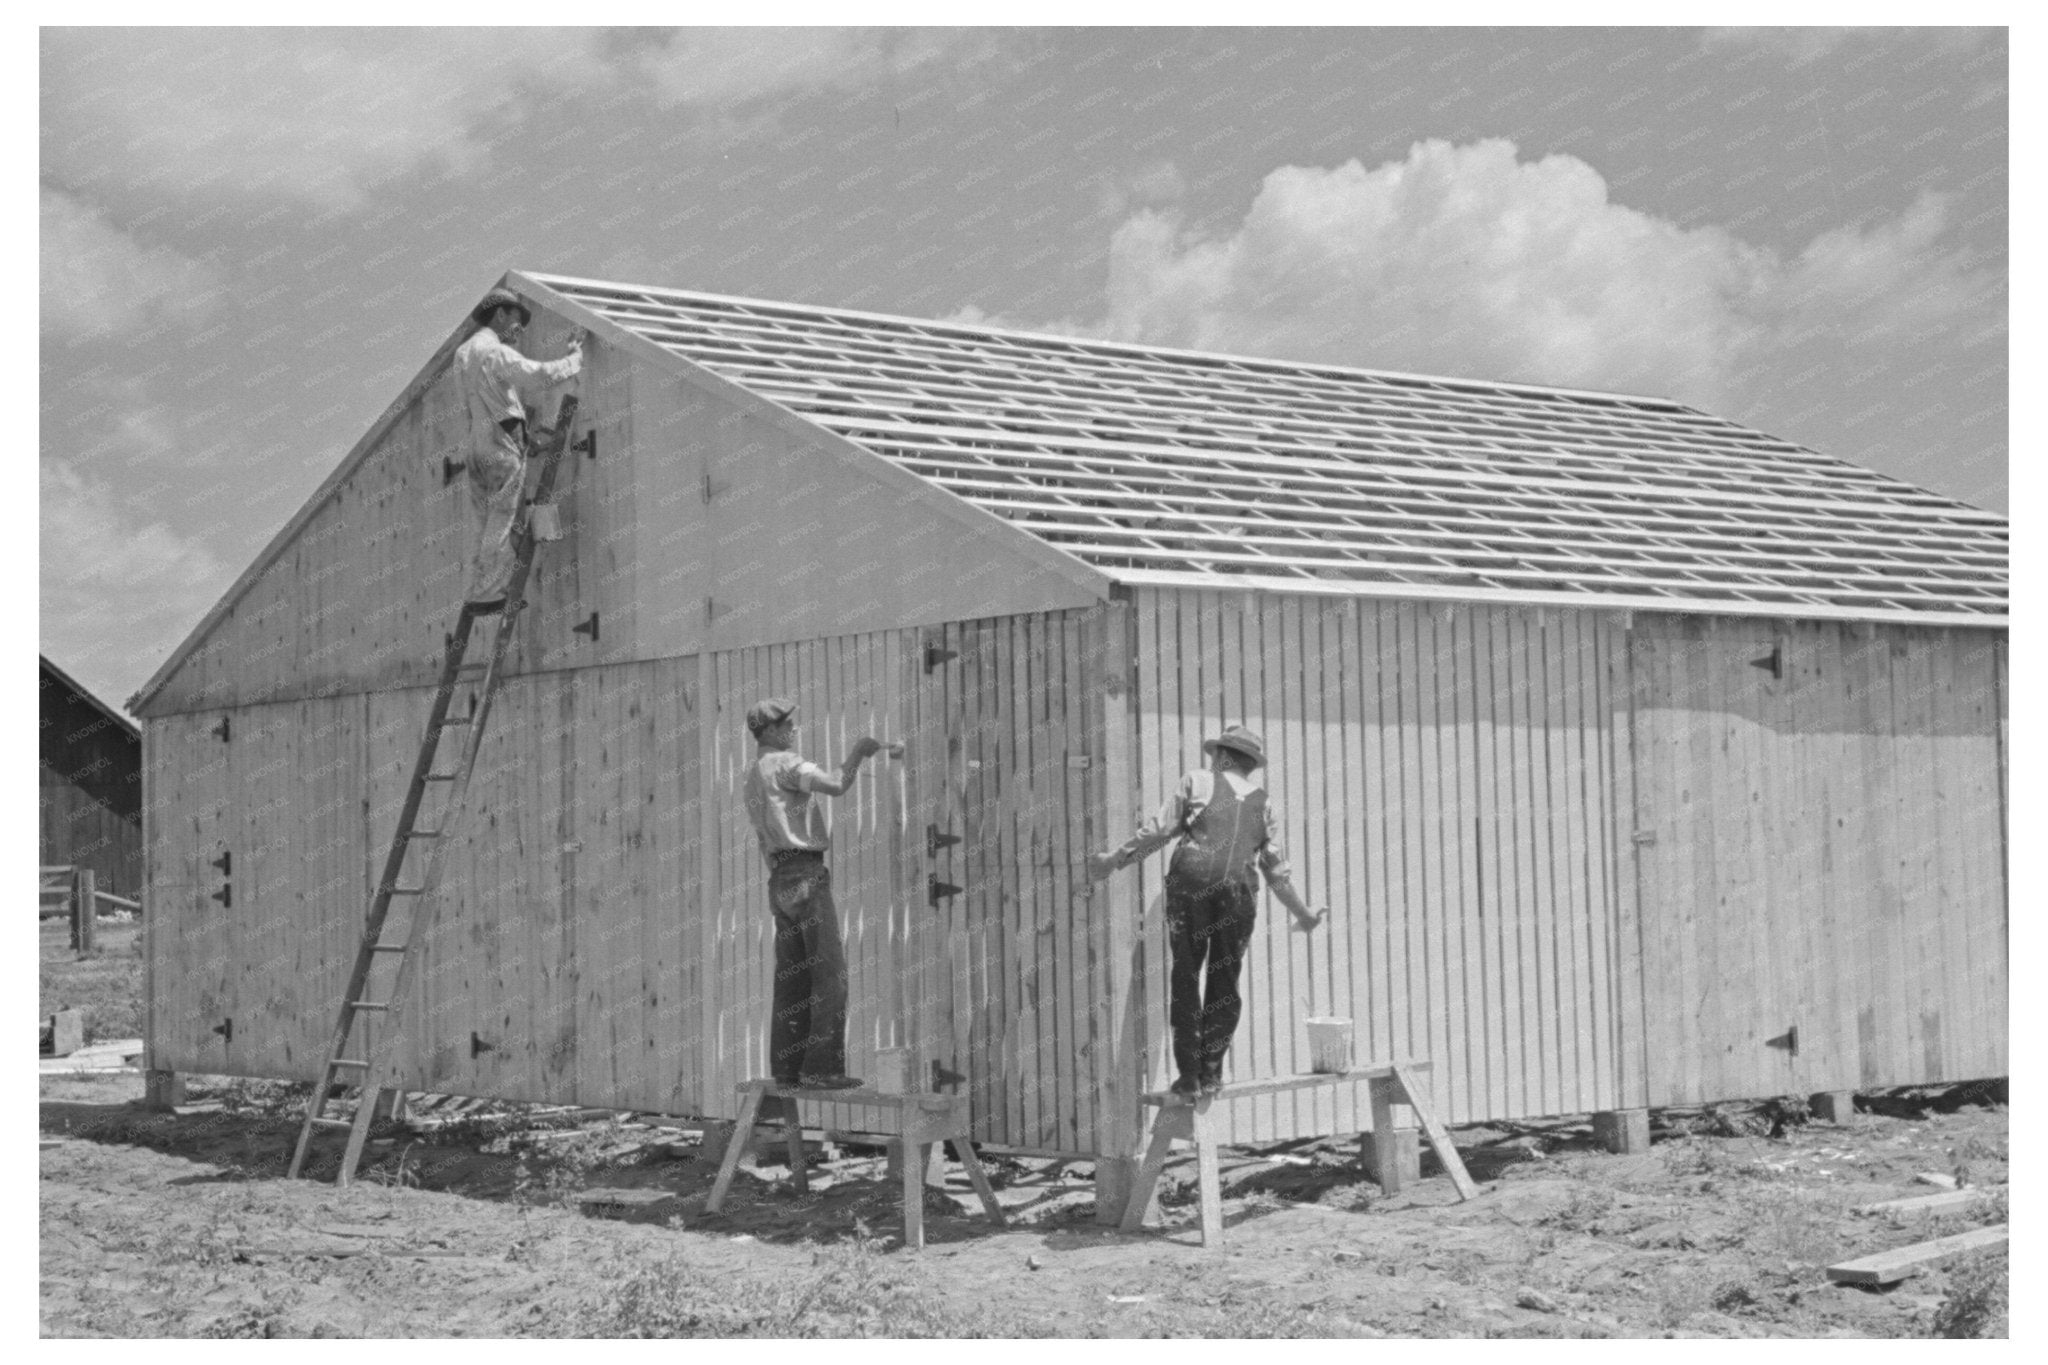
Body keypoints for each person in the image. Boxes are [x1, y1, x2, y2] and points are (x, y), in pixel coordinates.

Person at [1087, 725, 1327, 1098]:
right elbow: (1275, 871)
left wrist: (1114, 861)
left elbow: (1159, 832)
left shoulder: (1198, 781)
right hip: (1239, 892)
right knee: (1225, 979)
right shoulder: (1264, 804)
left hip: (1191, 884)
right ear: (1251, 765)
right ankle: (1211, 1074)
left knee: (1186, 974)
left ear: (1222, 756)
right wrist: (1305, 914)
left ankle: (1189, 1078)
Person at [741, 697, 899, 1090]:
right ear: (773, 731)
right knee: (830, 976)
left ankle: (788, 1071)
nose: (794, 730)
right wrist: (859, 752)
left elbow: (765, 840)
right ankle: (822, 1069)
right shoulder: (787, 763)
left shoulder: (753, 776)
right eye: (789, 725)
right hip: (806, 874)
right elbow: (836, 784)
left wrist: (784, 877)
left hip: (779, 879)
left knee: (791, 981)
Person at [453, 288, 583, 607]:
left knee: (481, 523)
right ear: (500, 315)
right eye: (515, 319)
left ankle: (475, 590)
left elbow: (481, 402)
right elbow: (538, 376)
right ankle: (489, 593)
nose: (519, 329)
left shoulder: (463, 354)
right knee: (501, 518)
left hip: (475, 447)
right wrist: (574, 359)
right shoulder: (495, 353)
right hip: (500, 447)